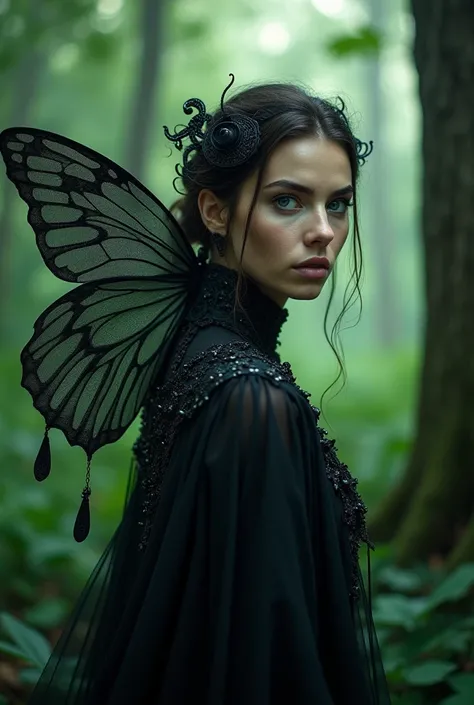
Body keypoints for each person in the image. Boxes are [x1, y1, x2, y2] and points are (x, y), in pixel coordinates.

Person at [0, 76, 391, 704]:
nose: (322, 230)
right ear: (215, 211)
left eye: (337, 204)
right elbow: (259, 650)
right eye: (287, 202)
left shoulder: (199, 348)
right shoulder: (251, 398)